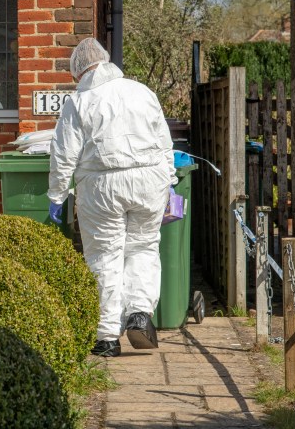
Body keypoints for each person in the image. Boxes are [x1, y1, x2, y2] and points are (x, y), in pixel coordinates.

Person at [48, 38, 176, 358]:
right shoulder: (142, 91)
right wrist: (170, 181)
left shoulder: (80, 102)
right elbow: (164, 141)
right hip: (151, 179)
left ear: (79, 72)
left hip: (102, 183)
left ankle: (106, 337)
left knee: (105, 256)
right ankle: (139, 313)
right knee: (144, 246)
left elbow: (63, 155)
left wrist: (57, 194)